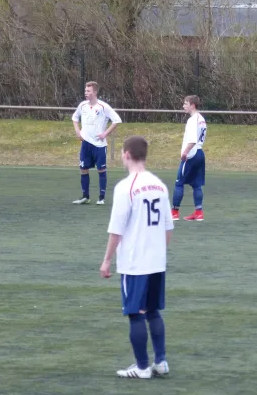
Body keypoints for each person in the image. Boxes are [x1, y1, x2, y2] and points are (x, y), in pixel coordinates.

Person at [100, 136, 174, 379]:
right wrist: (158, 252)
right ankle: (161, 362)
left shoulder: (126, 187)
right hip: (156, 262)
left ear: (127, 154)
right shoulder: (160, 185)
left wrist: (107, 260)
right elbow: (168, 227)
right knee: (153, 311)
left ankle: (142, 367)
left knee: (135, 313)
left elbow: (116, 229)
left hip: (134, 263)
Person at [71, 81, 122, 205]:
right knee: (83, 169)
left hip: (99, 145)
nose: (86, 93)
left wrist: (105, 133)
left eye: (88, 91)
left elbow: (117, 120)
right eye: (85, 91)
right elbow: (75, 117)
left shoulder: (103, 106)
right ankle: (85, 196)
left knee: (101, 170)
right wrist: (77, 131)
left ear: (95, 92)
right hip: (86, 144)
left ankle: (101, 198)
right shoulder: (82, 105)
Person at [172, 95, 207, 221]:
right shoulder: (201, 119)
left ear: (192, 105)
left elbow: (192, 140)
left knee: (179, 183)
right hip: (200, 153)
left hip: (191, 154)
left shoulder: (192, 120)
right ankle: (199, 213)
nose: (183, 106)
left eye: (186, 103)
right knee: (196, 185)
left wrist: (185, 153)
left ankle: (174, 213)